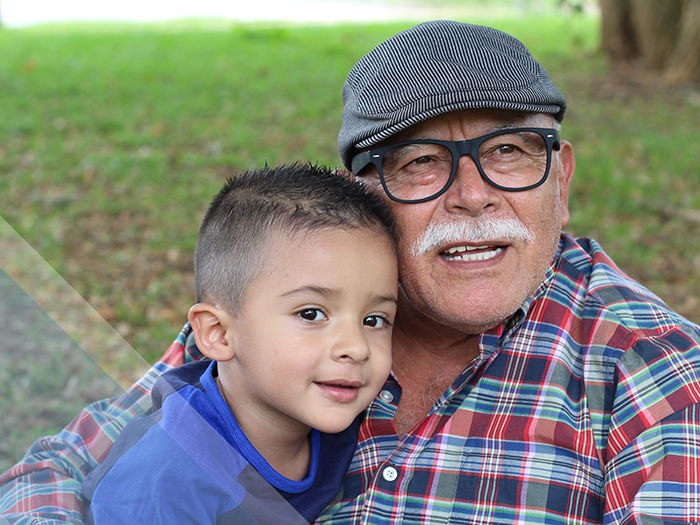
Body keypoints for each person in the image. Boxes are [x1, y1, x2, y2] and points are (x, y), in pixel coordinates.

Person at [2, 19, 699, 524]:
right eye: (421, 162)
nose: (475, 193)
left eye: (511, 150)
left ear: (562, 177)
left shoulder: (655, 375)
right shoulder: (277, 310)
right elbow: (57, 467)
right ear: (364, 196)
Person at [80, 163, 398, 524]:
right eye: (311, 314)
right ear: (218, 333)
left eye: (374, 320)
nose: (356, 347)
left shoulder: (336, 431)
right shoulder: (165, 479)